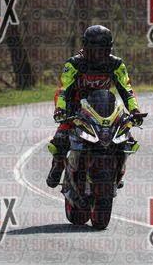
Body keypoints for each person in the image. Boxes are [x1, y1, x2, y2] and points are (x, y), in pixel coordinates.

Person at [46, 25, 143, 188]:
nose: (98, 55)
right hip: (75, 108)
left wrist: (134, 110)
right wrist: (60, 109)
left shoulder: (116, 64)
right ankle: (58, 165)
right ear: (85, 47)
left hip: (103, 108)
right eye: (94, 50)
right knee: (60, 140)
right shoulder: (74, 63)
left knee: (126, 138)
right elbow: (63, 89)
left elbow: (127, 90)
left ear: (109, 49)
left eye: (102, 50)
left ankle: (117, 171)